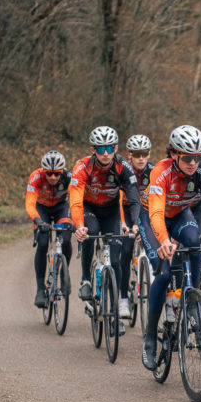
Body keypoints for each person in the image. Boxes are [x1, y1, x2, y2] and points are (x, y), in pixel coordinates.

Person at [138, 125, 201, 371]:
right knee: (164, 273)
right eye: (188, 158)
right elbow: (156, 213)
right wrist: (163, 240)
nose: (193, 163)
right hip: (152, 219)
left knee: (194, 242)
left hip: (180, 215)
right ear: (174, 154)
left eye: (198, 157)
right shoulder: (161, 172)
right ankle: (151, 337)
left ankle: (191, 298)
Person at [69, 126, 141, 324]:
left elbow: (134, 198)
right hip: (89, 208)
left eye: (110, 148)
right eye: (101, 149)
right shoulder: (82, 167)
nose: (106, 153)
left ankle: (115, 313)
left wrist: (135, 224)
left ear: (116, 148)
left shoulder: (122, 166)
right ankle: (85, 279)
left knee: (115, 261)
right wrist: (79, 225)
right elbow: (75, 200)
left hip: (111, 212)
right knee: (90, 232)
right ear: (93, 150)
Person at [25, 150, 73, 309]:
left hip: (61, 208)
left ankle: (64, 274)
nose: (53, 177)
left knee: (66, 240)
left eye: (57, 173)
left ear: (62, 171)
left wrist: (75, 220)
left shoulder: (69, 177)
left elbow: (76, 199)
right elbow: (30, 203)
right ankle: (40, 289)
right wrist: (37, 220)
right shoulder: (36, 177)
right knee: (43, 243)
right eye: (49, 173)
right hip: (42, 209)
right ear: (43, 171)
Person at [118, 134, 154, 318]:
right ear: (129, 155)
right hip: (126, 210)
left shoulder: (154, 172)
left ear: (149, 154)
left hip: (146, 211)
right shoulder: (122, 171)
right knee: (125, 250)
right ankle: (123, 299)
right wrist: (124, 224)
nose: (140, 158)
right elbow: (117, 200)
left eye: (144, 154)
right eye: (136, 154)